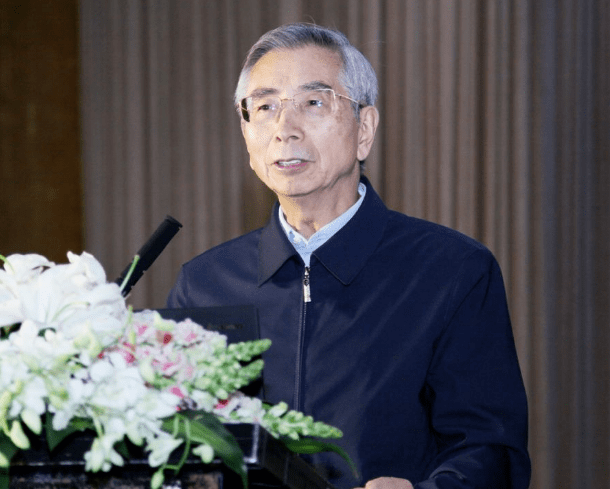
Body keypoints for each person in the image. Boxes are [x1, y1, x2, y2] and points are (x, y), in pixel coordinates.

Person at [166, 23, 530, 489]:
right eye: (265, 107)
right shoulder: (204, 284)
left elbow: (490, 450)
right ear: (246, 133)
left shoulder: (452, 271)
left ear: (365, 128)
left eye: (313, 103)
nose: (284, 130)